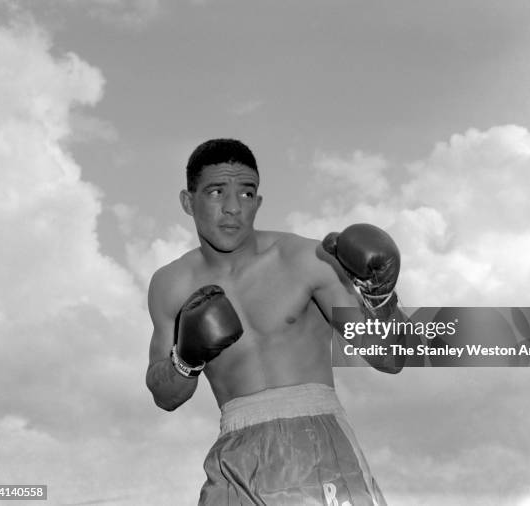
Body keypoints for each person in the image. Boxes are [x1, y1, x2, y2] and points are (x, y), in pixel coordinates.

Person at [146, 139, 407, 506]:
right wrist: (185, 359)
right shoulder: (170, 285)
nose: (233, 208)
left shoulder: (308, 259)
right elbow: (164, 397)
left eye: (247, 193)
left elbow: (391, 359)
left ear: (259, 202)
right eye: (217, 192)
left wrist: (380, 300)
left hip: (316, 444)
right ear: (188, 202)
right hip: (232, 457)